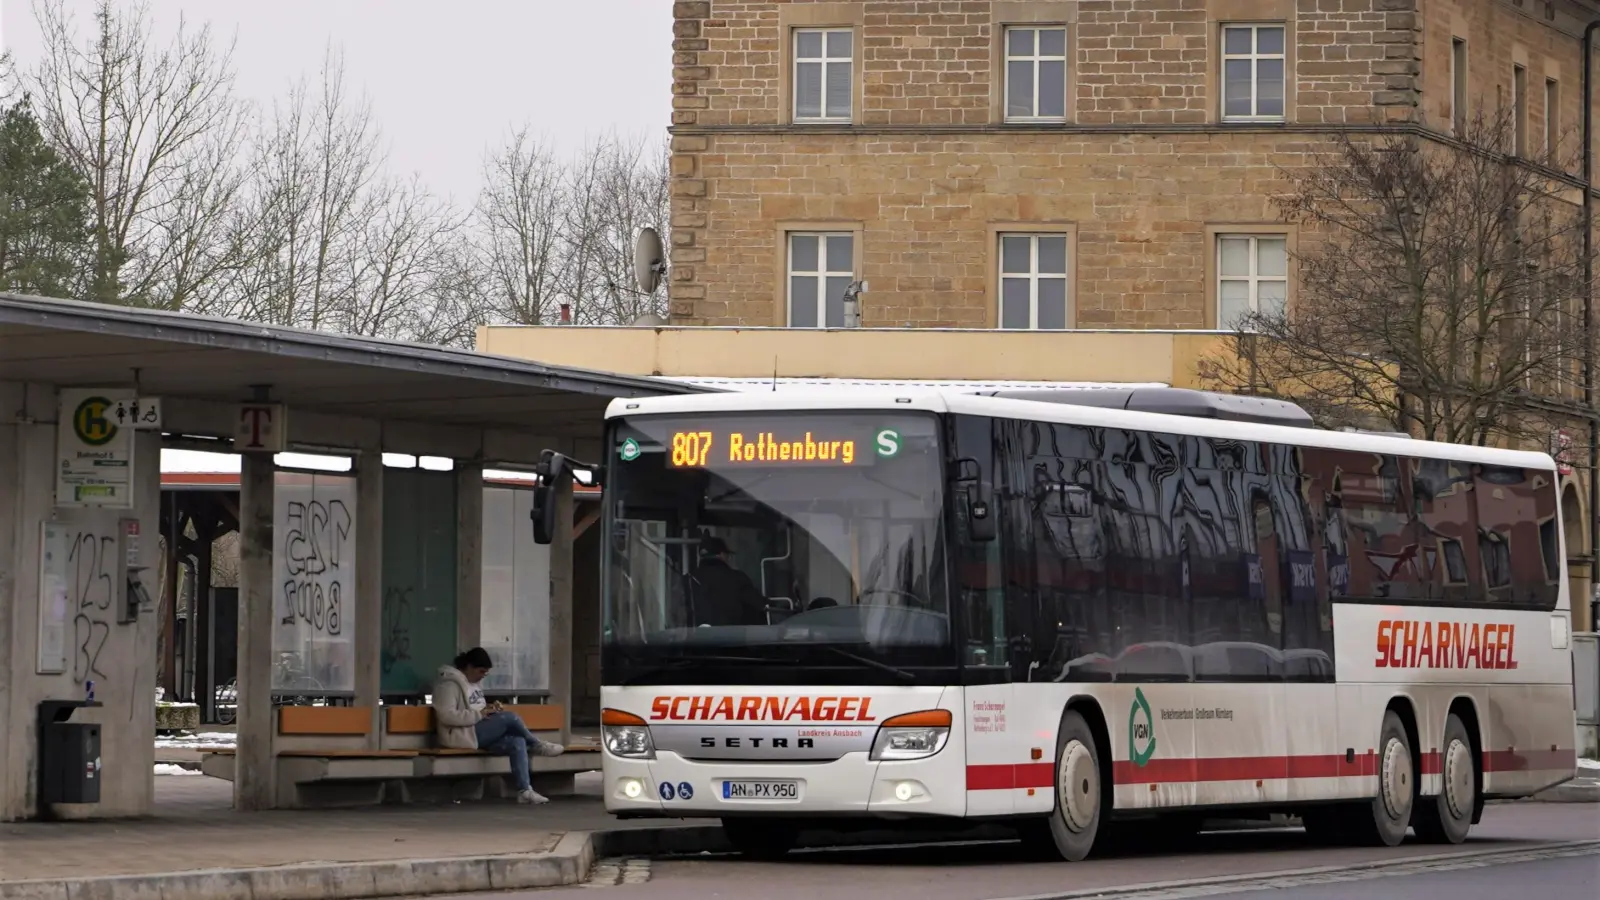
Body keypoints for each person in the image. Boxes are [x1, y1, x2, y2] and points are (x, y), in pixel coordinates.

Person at [431, 647, 564, 805]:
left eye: (486, 673)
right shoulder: (449, 685)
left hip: (479, 730)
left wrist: (490, 710)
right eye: (481, 671)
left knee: (517, 742)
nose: (482, 677)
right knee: (510, 718)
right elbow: (446, 715)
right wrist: (479, 715)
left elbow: (476, 707)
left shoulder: (473, 683)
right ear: (468, 667)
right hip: (463, 734)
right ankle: (536, 744)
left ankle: (525, 790)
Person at [691, 535, 770, 626]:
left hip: (695, 638)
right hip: (732, 638)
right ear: (722, 555)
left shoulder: (689, 580)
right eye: (728, 555)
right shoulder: (738, 579)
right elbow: (757, 606)